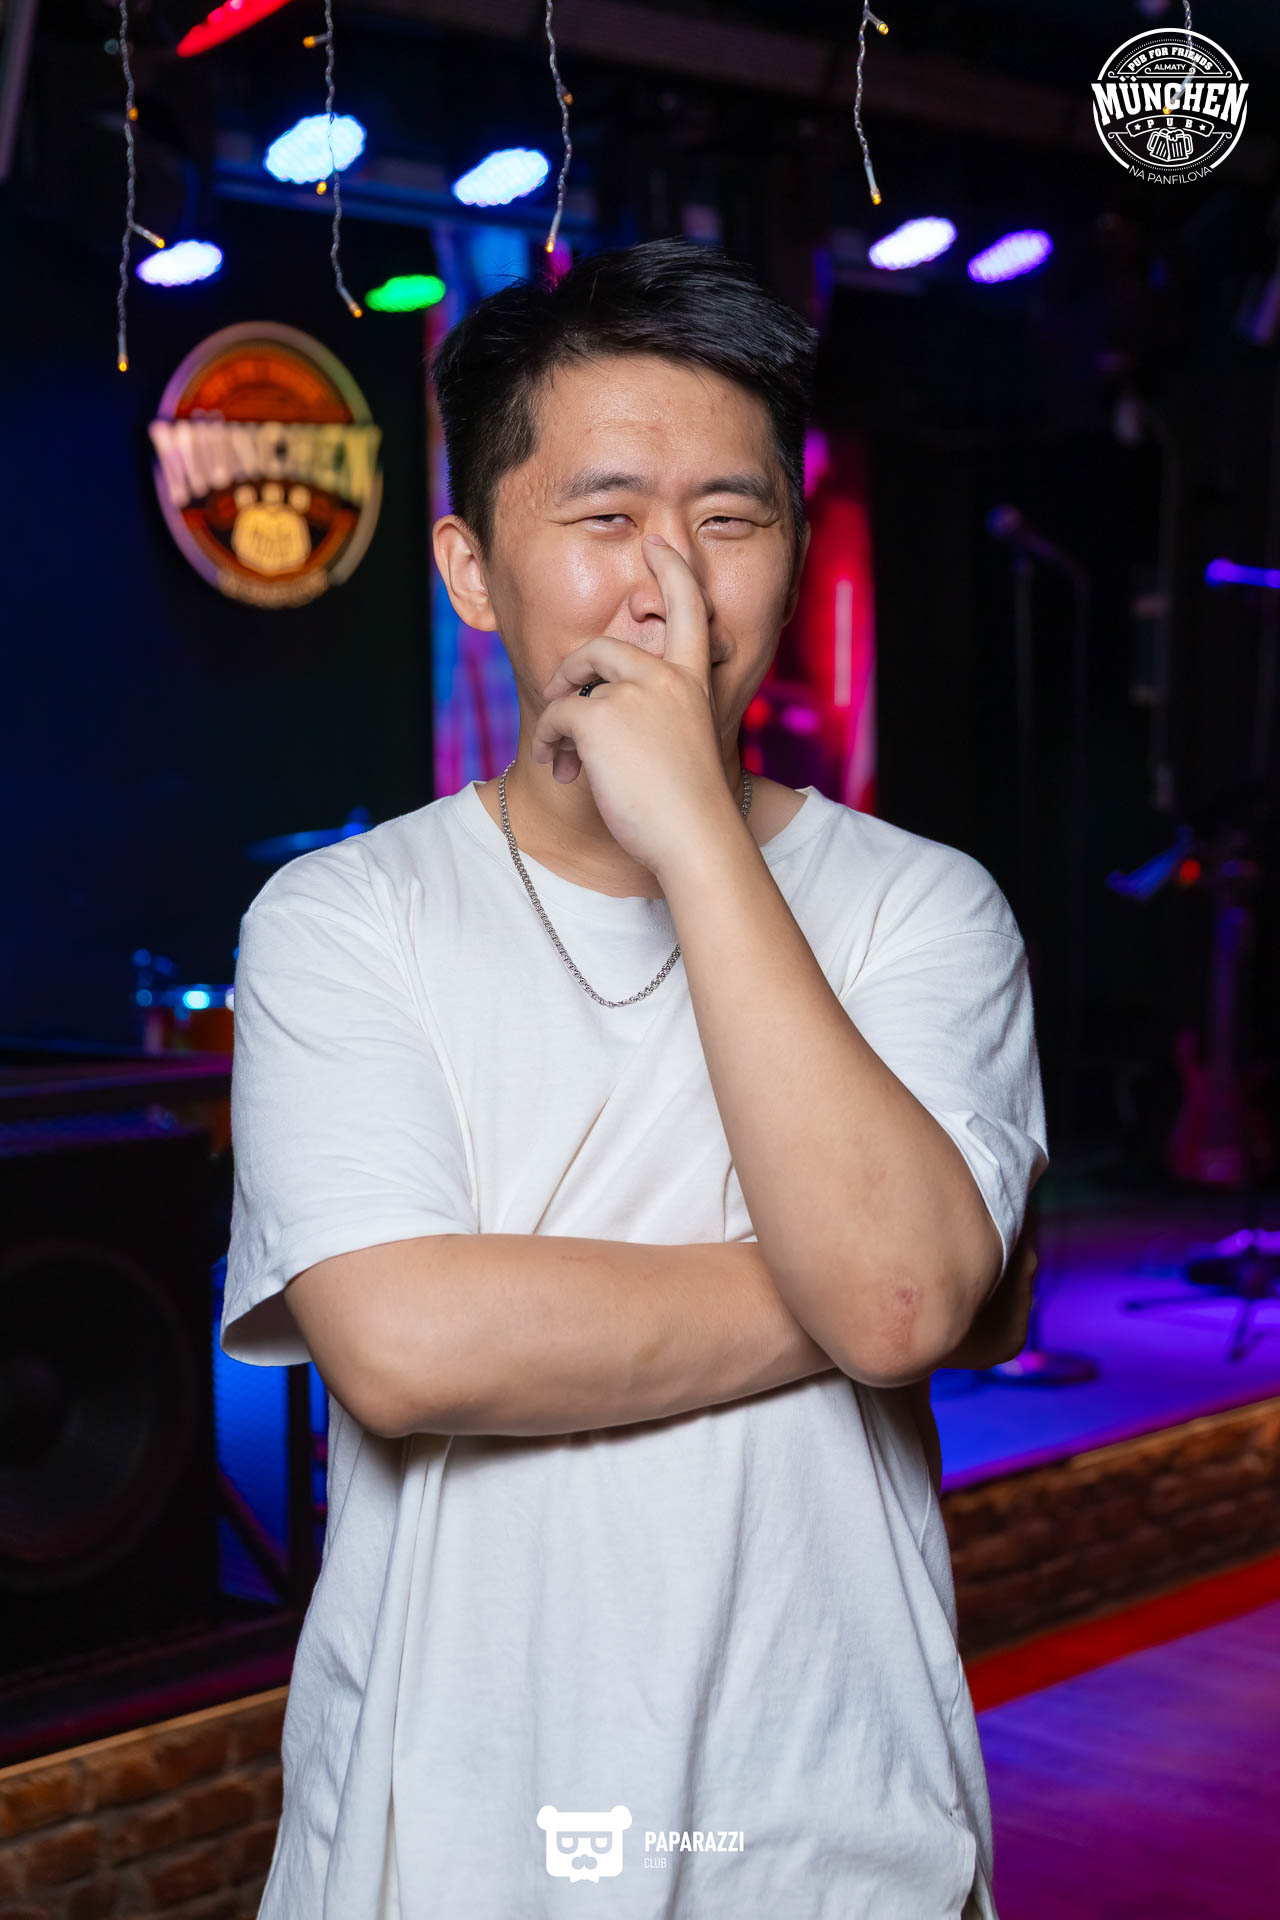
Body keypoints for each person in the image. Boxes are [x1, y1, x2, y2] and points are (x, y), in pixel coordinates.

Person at [221, 235, 1048, 1919]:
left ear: (792, 556)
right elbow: (409, 1348)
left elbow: (898, 1301)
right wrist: (873, 1294)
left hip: (833, 1831)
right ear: (471, 569)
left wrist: (696, 839)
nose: (670, 582)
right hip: (447, 1836)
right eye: (603, 518)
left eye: (731, 520)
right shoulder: (342, 919)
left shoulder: (924, 908)